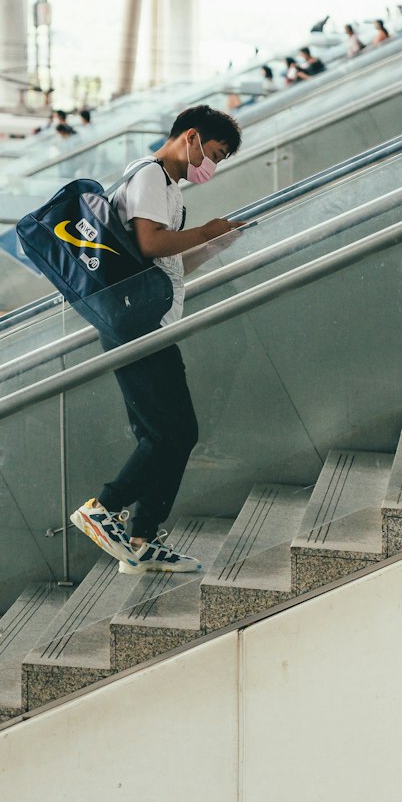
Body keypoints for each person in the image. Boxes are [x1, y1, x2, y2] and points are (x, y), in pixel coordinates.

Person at [69, 105, 243, 574]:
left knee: (164, 433)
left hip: (150, 319)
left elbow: (165, 265)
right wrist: (204, 231)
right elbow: (148, 244)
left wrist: (210, 246)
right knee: (174, 431)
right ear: (191, 137)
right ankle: (104, 509)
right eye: (215, 153)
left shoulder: (169, 190)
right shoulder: (148, 176)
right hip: (136, 325)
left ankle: (143, 540)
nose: (213, 165)